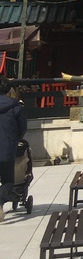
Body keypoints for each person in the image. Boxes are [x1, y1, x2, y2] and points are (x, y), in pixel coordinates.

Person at [0, 77, 27, 222]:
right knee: (8, 180)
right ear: (9, 90)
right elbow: (22, 128)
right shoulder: (15, 107)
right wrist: (16, 139)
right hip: (7, 149)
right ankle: (0, 202)